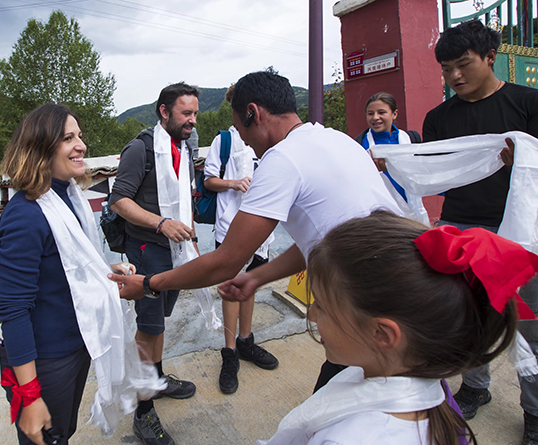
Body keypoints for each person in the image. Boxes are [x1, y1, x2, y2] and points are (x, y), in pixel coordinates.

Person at [108, 70, 402, 393]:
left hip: (366, 307)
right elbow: (319, 241)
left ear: (253, 113)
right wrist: (256, 278)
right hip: (400, 288)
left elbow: (227, 261)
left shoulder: (282, 159)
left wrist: (149, 284)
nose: (244, 141)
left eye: (241, 129)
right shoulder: (337, 139)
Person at [259, 210, 538, 445]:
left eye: (320, 305)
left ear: (382, 334)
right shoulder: (431, 391)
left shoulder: (352, 438)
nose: (312, 314)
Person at [422, 19, 538, 440]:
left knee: (527, 324)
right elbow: (436, 172)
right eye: (446, 68)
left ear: (491, 58)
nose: (454, 76)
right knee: (467, 316)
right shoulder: (439, 118)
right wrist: (397, 163)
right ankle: (474, 387)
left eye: (463, 65)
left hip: (520, 231)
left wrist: (521, 160)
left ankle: (535, 412)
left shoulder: (529, 105)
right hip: (461, 226)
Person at [0, 104, 138, 445]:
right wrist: (29, 395)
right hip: (47, 358)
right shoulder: (25, 216)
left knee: (63, 432)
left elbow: (70, 265)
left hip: (79, 343)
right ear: (40, 148)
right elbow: (13, 310)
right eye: (68, 138)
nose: (82, 145)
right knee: (47, 438)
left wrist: (105, 271)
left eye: (80, 136)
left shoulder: (69, 197)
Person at [109, 82, 200, 445]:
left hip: (176, 251)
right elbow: (119, 201)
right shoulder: (140, 148)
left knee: (158, 323)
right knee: (148, 328)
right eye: (186, 114)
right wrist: (161, 223)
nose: (193, 120)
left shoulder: (183, 144)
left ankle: (157, 380)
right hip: (148, 250)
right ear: (164, 112)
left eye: (195, 113)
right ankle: (143, 415)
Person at [203, 85, 278, 395]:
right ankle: (230, 350)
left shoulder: (267, 140)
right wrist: (233, 183)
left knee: (250, 284)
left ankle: (247, 341)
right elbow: (208, 180)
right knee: (231, 290)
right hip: (231, 227)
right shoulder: (224, 140)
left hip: (263, 231)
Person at [354, 92, 421, 202]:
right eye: (370, 113)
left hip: (411, 208)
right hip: (377, 210)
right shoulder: (359, 145)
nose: (375, 117)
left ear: (394, 114)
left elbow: (424, 172)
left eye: (381, 112)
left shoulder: (411, 139)